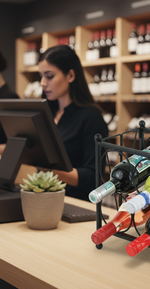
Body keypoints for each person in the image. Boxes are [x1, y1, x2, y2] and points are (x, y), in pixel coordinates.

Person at [38, 45, 108, 201]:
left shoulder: (91, 117)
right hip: (44, 199)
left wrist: (50, 169)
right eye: (41, 76)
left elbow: (93, 177)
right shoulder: (46, 112)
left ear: (70, 75)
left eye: (49, 76)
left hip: (76, 205)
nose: (43, 83)